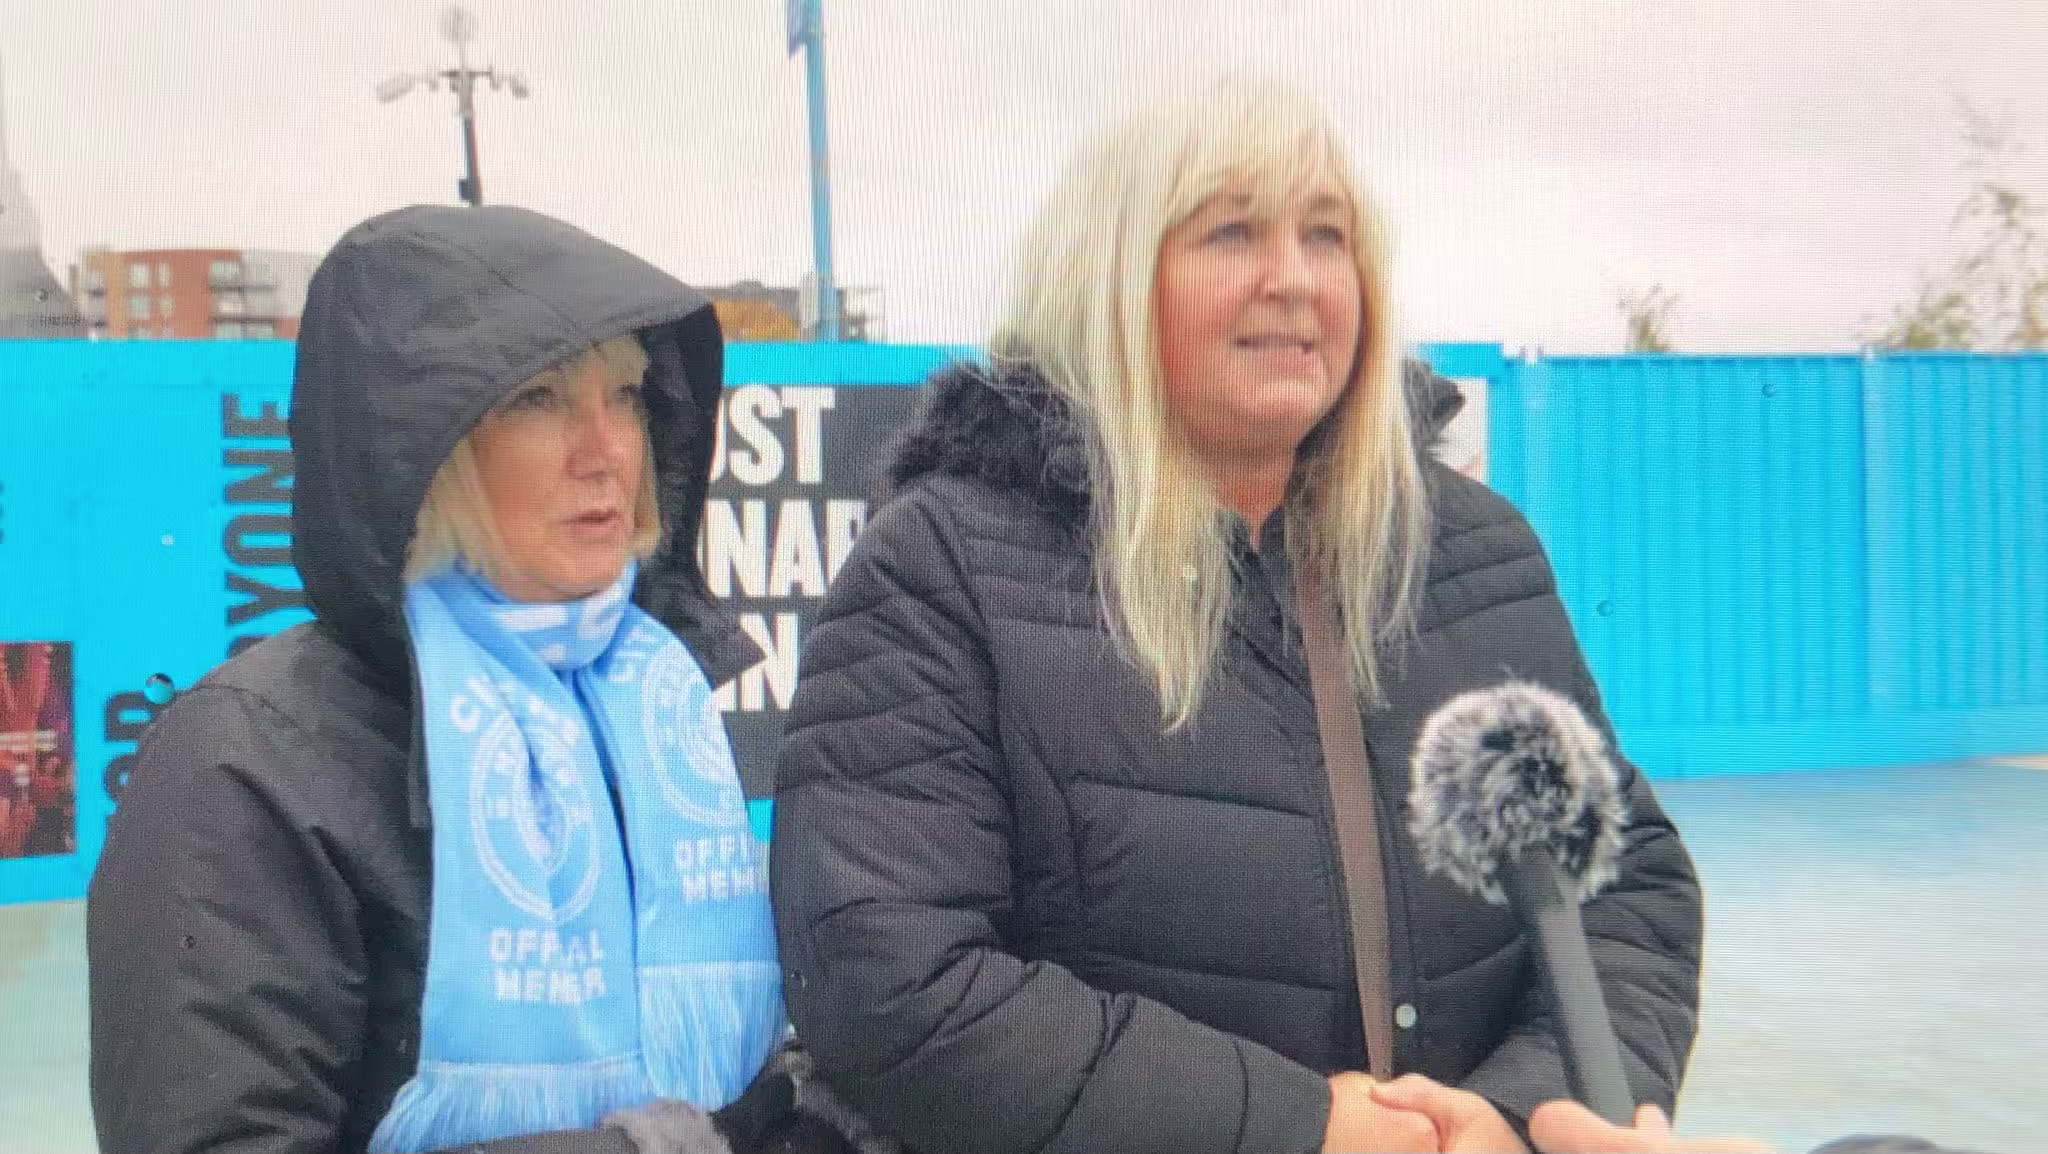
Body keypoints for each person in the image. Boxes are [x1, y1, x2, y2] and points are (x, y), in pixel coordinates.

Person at [769, 76, 1704, 1154]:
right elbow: (889, 981)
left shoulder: (1474, 550)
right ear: (1109, 278)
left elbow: (1623, 891)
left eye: (1326, 235)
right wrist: (1299, 1129)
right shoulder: (945, 568)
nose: (1292, 278)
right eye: (1230, 232)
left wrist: (1510, 1120)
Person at [88, 206, 869, 1154]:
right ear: (421, 448)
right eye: (538, 400)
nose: (606, 450)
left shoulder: (650, 700)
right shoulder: (245, 764)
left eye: (625, 396)